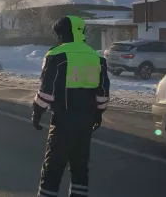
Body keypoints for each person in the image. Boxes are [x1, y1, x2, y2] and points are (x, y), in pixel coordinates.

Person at [32, 15, 110, 197]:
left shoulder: (56, 55)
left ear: (66, 34)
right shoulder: (96, 57)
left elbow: (46, 92)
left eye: (59, 34)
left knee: (52, 168)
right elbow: (103, 94)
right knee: (80, 169)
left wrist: (37, 113)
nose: (58, 38)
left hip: (62, 123)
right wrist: (98, 114)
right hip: (85, 125)